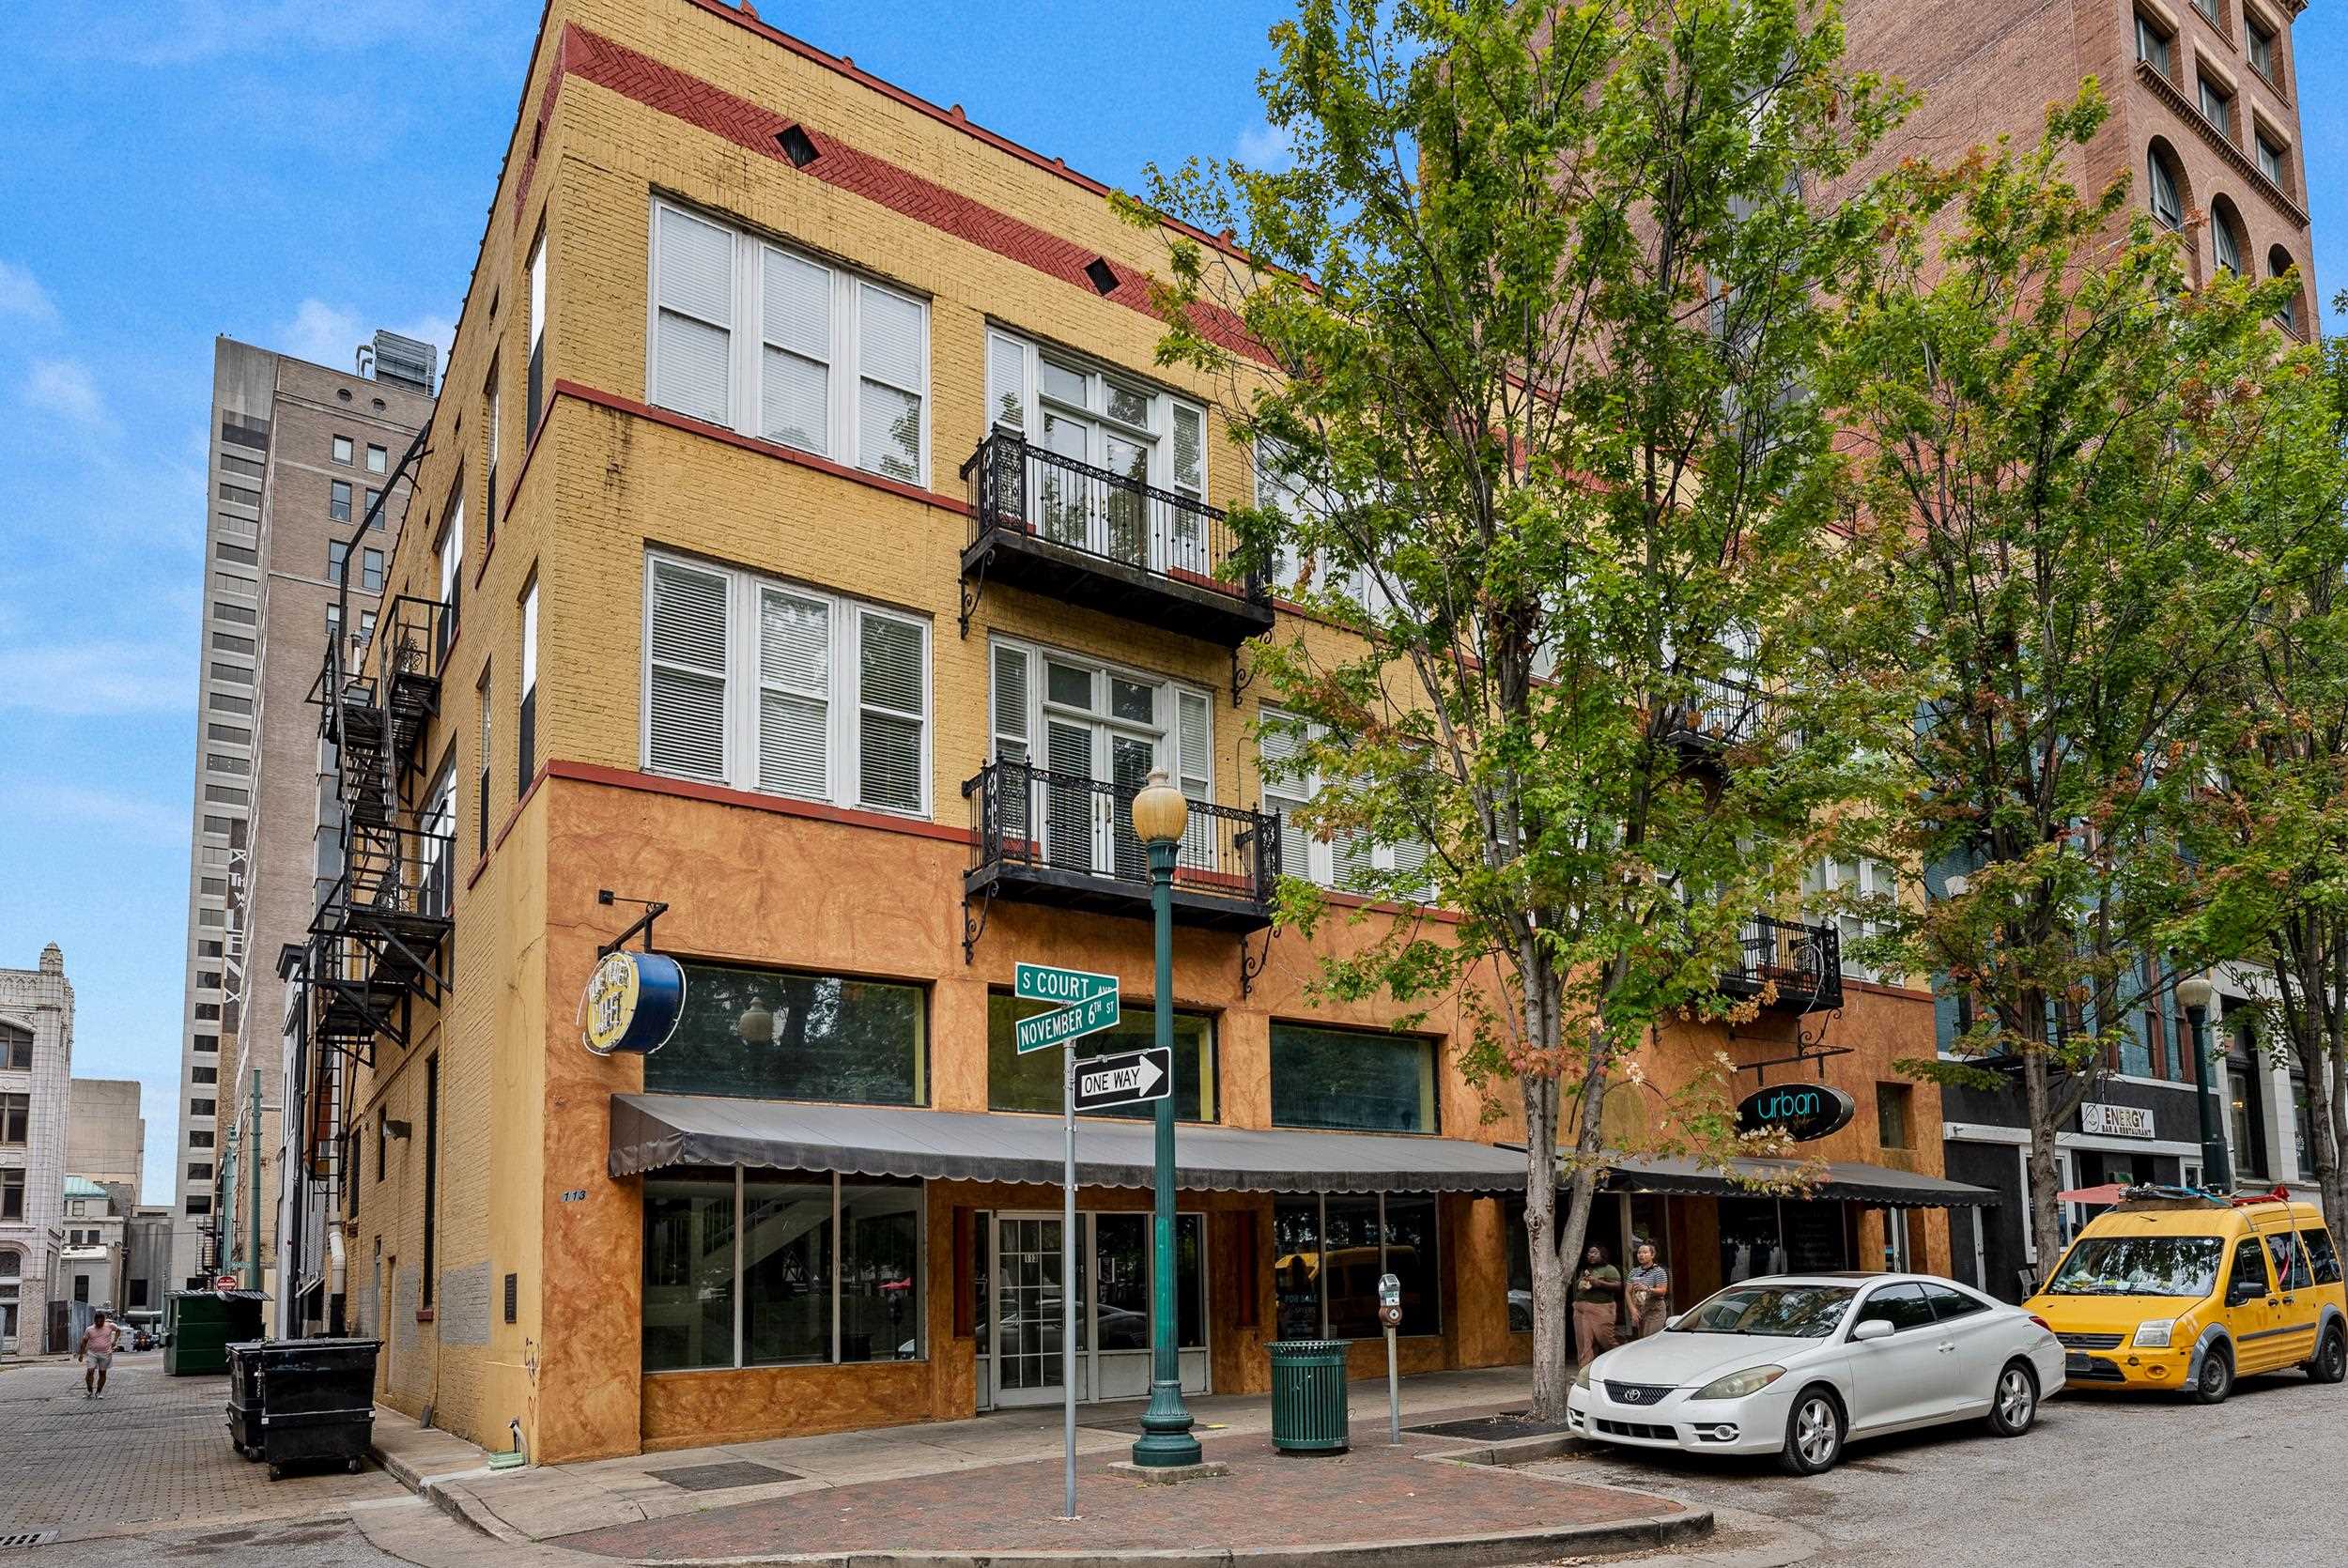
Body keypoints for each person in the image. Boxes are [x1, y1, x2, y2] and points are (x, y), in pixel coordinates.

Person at [1570, 1244, 1622, 1367]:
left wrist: (1599, 1283)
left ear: (1602, 1255)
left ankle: (1620, 1364)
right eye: (1589, 1253)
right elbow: (1578, 1284)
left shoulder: (1609, 1269)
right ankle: (1584, 1372)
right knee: (1583, 1342)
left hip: (1600, 1308)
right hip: (1580, 1308)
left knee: (1606, 1340)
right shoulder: (1586, 1270)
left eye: (1595, 1253)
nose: (1591, 1255)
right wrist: (1583, 1281)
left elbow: (1618, 1286)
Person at [1628, 1241, 1671, 1338]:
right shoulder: (1634, 1272)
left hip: (1654, 1308)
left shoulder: (1659, 1271)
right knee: (1641, 1338)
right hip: (1640, 1307)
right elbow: (1627, 1292)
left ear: (1652, 1255)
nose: (1641, 1255)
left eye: (1645, 1252)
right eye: (1639, 1253)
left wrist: (1647, 1289)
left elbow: (1663, 1291)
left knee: (1651, 1339)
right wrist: (1632, 1310)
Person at [77, 1310, 120, 1401]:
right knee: (90, 1371)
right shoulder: (89, 1329)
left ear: (104, 1320)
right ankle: (89, 1391)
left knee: (102, 1373)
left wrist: (114, 1341)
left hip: (106, 1354)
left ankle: (98, 1392)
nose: (99, 1323)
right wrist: (81, 1354)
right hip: (92, 1353)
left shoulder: (110, 1326)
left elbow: (118, 1330)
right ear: (95, 1320)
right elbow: (84, 1342)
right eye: (97, 1321)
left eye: (101, 1321)